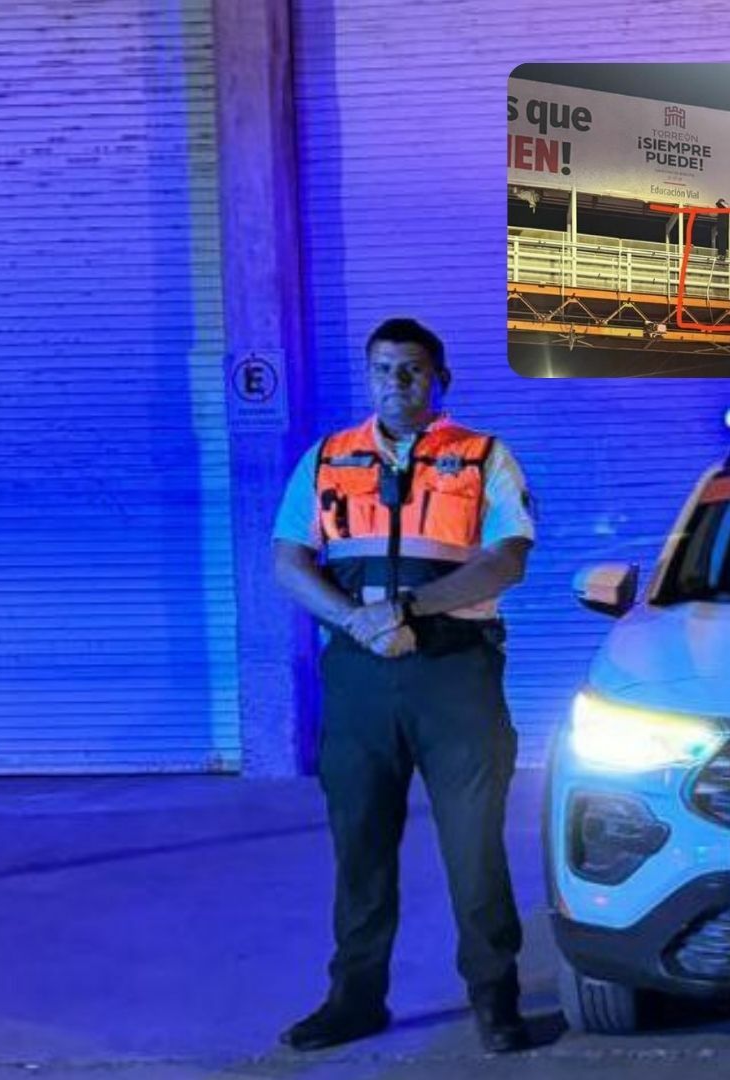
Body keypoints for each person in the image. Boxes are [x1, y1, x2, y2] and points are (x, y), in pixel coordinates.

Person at [272, 318, 535, 1053]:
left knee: (474, 847)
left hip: (456, 673)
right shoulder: (328, 458)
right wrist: (357, 623)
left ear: (439, 378)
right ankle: (355, 999)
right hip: (361, 676)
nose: (397, 382)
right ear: (369, 377)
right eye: (383, 369)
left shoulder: (483, 457)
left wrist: (408, 609)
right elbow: (288, 561)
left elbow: (506, 560)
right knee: (359, 845)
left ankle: (495, 1000)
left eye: (412, 368)